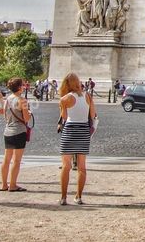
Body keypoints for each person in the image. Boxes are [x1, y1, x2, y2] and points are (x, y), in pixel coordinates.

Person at [58, 72, 96, 205]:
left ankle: (63, 197)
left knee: (66, 166)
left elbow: (63, 117)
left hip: (69, 131)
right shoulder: (88, 97)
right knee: (82, 167)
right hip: (83, 131)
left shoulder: (64, 99)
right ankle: (78, 196)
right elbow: (93, 115)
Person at [1, 77, 31, 192]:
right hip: (19, 131)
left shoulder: (8, 99)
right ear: (19, 87)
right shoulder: (22, 100)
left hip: (8, 131)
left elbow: (4, 115)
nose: (24, 86)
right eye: (23, 85)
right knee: (17, 160)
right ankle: (13, 185)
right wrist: (29, 112)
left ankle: (4, 184)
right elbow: (26, 118)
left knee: (6, 159)